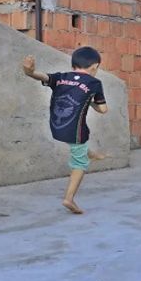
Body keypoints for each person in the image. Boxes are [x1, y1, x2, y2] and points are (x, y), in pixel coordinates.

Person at [22, 46, 108, 214]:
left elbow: (43, 76)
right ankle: (69, 198)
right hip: (75, 131)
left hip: (56, 127)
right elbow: (103, 110)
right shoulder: (94, 83)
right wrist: (89, 99)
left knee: (79, 146)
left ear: (73, 64)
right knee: (79, 163)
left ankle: (90, 153)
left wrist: (29, 72)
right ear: (95, 67)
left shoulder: (62, 77)